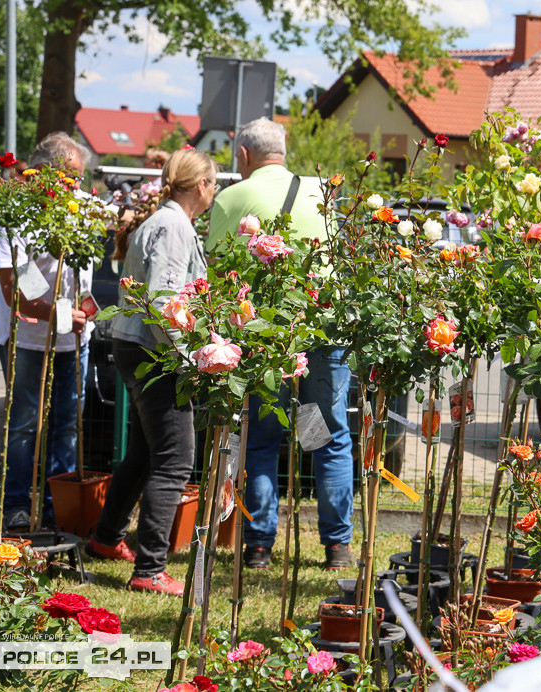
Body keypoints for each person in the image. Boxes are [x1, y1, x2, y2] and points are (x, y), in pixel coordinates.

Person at [207, 117, 355, 571]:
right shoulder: (323, 193)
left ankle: (259, 546)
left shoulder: (231, 198)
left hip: (266, 340)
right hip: (323, 335)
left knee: (263, 439)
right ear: (284, 152)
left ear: (244, 156)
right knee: (323, 437)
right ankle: (337, 547)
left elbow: (216, 274)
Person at [87, 148, 216, 596]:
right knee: (175, 459)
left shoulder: (164, 221)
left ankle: (106, 538)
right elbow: (163, 302)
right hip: (155, 351)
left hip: (136, 344)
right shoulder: (174, 227)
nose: (214, 191)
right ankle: (150, 568)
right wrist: (190, 358)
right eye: (213, 183)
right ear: (201, 186)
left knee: (144, 452)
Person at [0, 132, 95, 533]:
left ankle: (58, 506)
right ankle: (17, 506)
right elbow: (16, 289)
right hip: (28, 341)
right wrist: (61, 316)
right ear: (44, 175)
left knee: (67, 425)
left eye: (80, 179)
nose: (77, 188)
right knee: (23, 425)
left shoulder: (82, 207)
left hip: (75, 340)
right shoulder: (12, 213)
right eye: (71, 178)